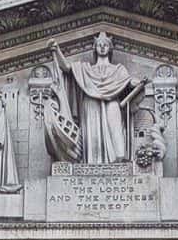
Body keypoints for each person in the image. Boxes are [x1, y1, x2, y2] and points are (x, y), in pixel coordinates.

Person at [49, 32, 144, 163]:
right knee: (93, 137)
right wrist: (56, 49)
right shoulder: (86, 69)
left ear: (110, 48)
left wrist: (139, 82)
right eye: (99, 45)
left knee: (115, 130)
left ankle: (118, 161)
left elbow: (129, 82)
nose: (103, 47)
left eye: (105, 45)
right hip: (91, 103)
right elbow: (66, 67)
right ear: (95, 48)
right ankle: (93, 163)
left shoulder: (118, 70)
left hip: (112, 102)